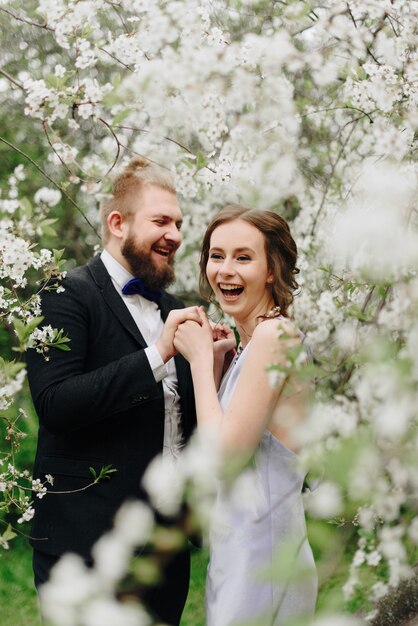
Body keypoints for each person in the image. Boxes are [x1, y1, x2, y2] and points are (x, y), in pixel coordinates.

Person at [25, 156, 201, 625]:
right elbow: (56, 404)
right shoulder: (63, 293)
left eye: (180, 223)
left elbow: (183, 423)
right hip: (84, 546)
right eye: (161, 221)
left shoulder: (175, 309)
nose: (177, 235)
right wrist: (157, 354)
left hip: (164, 550)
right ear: (117, 223)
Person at [173, 204, 318, 625]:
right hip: (238, 554)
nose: (225, 270)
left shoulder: (277, 335)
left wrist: (199, 361)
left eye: (243, 257)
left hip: (264, 557)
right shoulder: (252, 347)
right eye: (216, 256)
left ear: (271, 270)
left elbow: (227, 458)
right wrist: (217, 366)